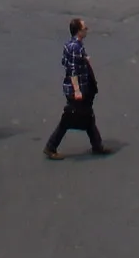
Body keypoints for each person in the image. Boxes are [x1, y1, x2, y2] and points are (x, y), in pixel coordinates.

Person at [44, 16, 108, 158]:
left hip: (80, 88)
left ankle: (97, 145)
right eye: (84, 28)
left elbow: (64, 61)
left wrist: (84, 60)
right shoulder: (75, 47)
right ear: (78, 31)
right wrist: (77, 90)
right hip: (76, 89)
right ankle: (51, 147)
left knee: (88, 116)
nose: (87, 30)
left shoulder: (71, 45)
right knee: (69, 118)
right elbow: (72, 70)